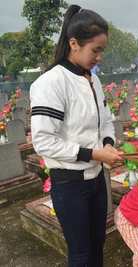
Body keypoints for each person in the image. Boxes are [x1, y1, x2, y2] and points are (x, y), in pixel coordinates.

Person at [29, 5, 124, 267]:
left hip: (96, 180)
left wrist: (108, 145)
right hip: (70, 184)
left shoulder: (93, 81)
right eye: (96, 50)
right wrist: (96, 154)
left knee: (98, 245)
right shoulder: (51, 83)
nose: (99, 57)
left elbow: (106, 121)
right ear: (74, 43)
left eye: (102, 50)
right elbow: (44, 142)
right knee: (81, 253)